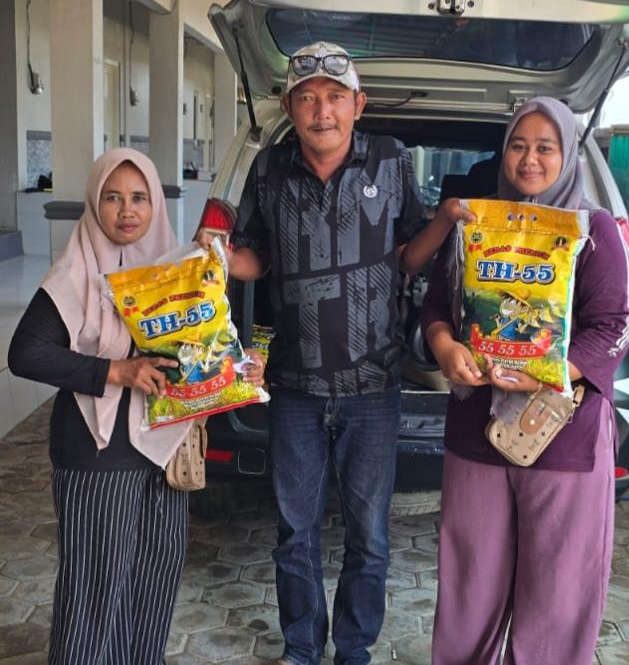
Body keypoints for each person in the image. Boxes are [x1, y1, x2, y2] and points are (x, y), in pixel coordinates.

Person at [197, 41, 471, 665]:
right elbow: (258, 258)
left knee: (368, 537)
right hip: (294, 385)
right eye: (308, 98)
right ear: (290, 106)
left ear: (358, 105)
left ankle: (353, 650)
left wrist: (446, 220)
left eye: (335, 97)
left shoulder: (390, 160)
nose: (322, 111)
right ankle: (301, 648)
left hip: (374, 384)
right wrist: (220, 258)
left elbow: (408, 254)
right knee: (294, 533)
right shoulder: (269, 167)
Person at [8, 148, 264, 664]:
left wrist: (242, 368)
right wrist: (115, 372)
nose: (127, 210)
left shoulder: (179, 272)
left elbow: (202, 352)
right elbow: (25, 354)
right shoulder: (75, 274)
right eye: (113, 198)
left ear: (156, 205)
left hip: (164, 453)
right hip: (97, 452)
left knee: (155, 573)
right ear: (94, 203)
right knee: (95, 586)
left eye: (139, 198)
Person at [422, 97, 629, 665]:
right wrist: (444, 347)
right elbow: (436, 305)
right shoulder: (475, 225)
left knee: (557, 593)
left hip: (562, 432)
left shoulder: (593, 230)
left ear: (568, 156)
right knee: (469, 584)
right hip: (476, 430)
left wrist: (547, 373)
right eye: (518, 145)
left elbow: (613, 326)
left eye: (545, 147)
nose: (529, 159)